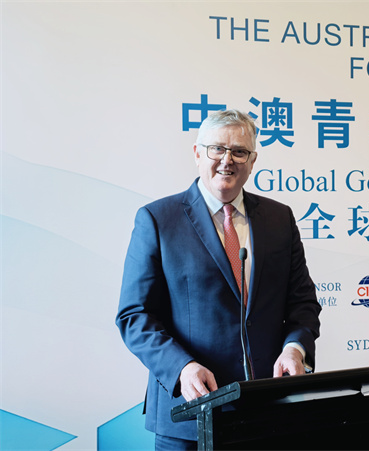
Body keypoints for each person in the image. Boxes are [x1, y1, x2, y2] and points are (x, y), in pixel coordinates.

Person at [116, 109, 321, 450]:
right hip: (189, 414)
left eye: (239, 151)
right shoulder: (158, 219)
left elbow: (303, 302)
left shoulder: (279, 218)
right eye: (217, 149)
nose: (227, 160)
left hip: (266, 411)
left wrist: (294, 349)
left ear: (252, 161)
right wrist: (182, 368)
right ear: (198, 153)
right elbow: (134, 315)